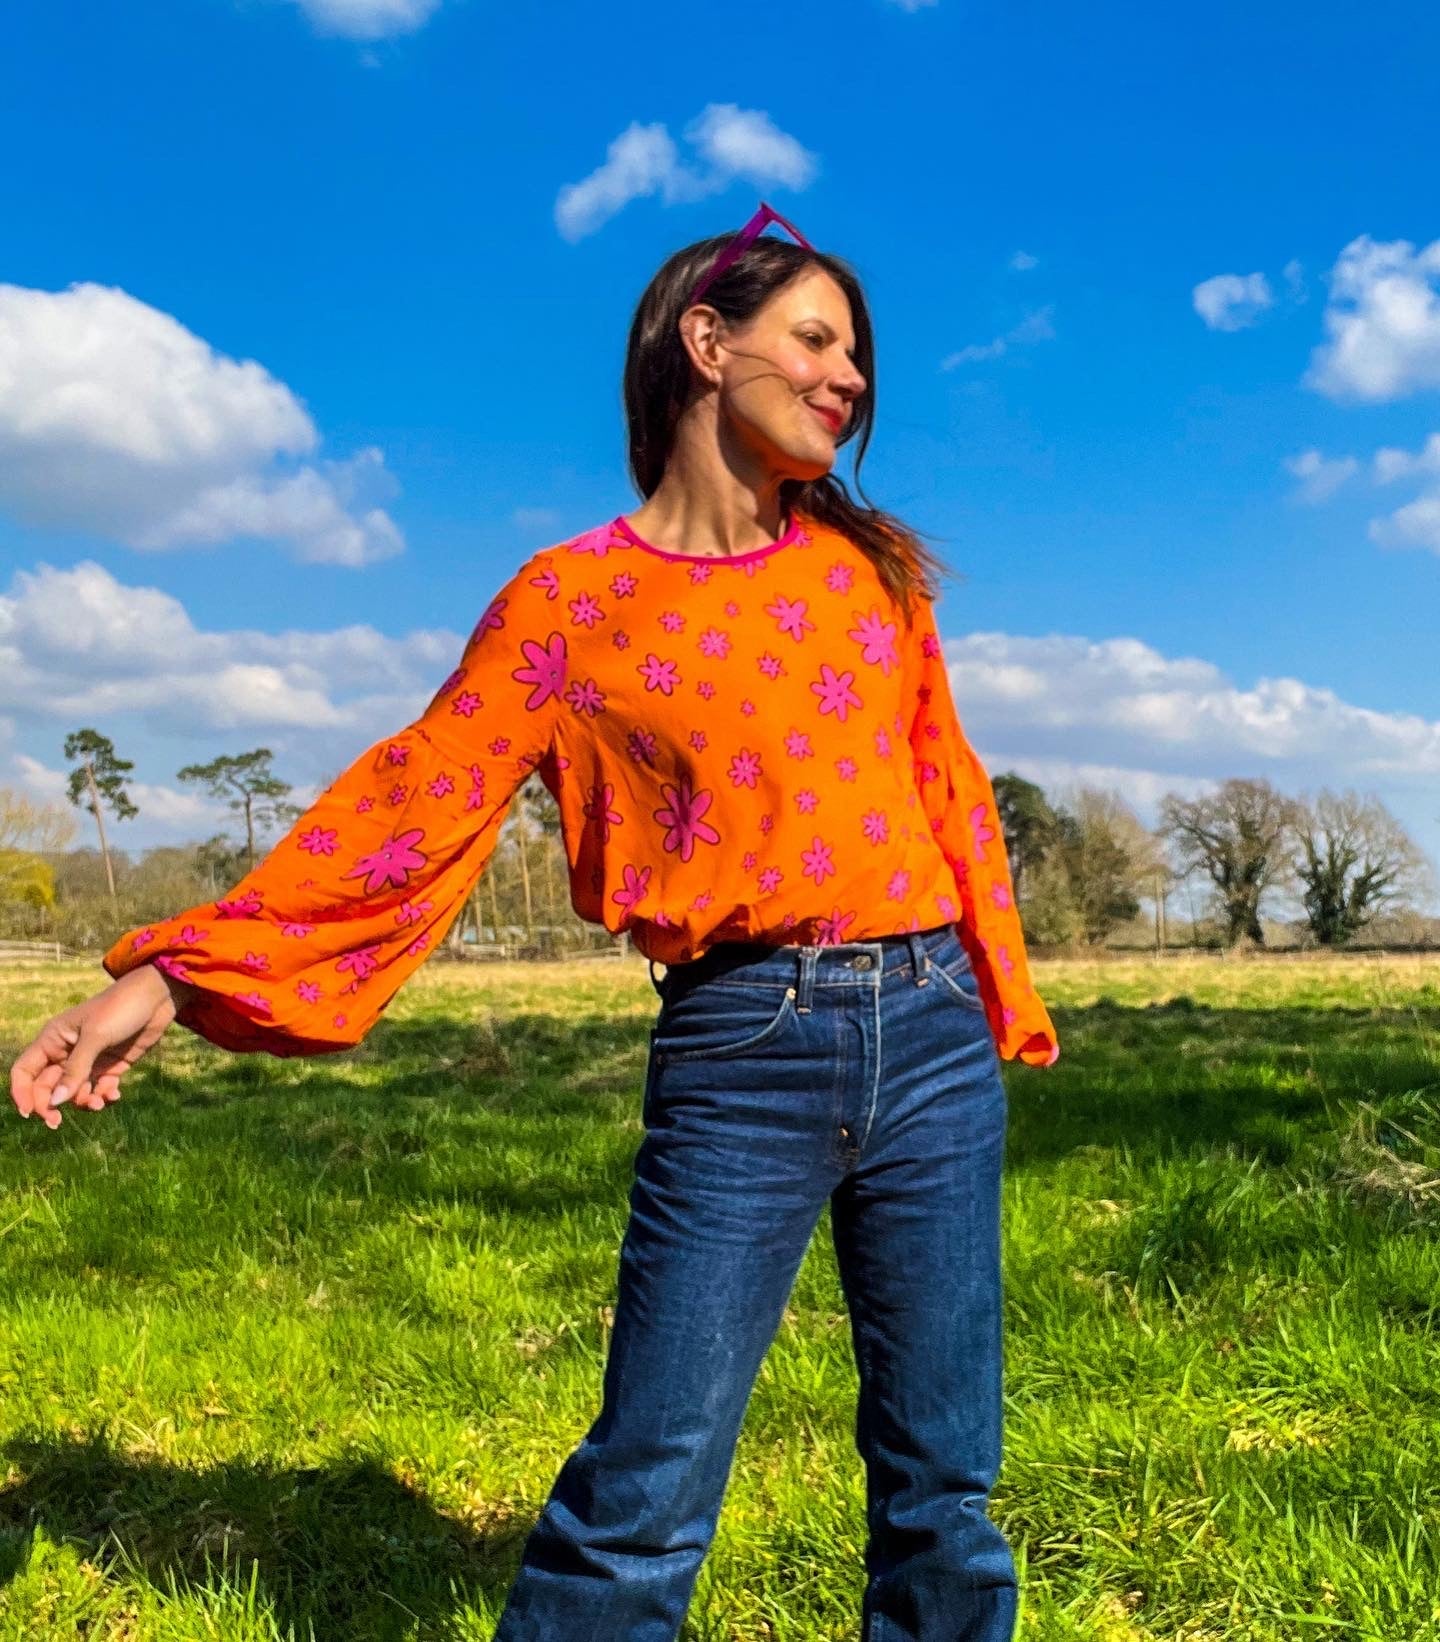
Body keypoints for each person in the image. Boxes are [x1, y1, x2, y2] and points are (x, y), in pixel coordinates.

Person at [9, 200, 1058, 1640]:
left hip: (931, 1030)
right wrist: (175, 974)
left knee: (947, 1489)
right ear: (708, 341)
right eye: (816, 338)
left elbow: (946, 778)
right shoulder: (570, 605)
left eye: (858, 355)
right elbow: (415, 801)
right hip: (745, 1045)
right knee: (645, 1493)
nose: (850, 376)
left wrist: (1000, 987)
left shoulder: (869, 574)